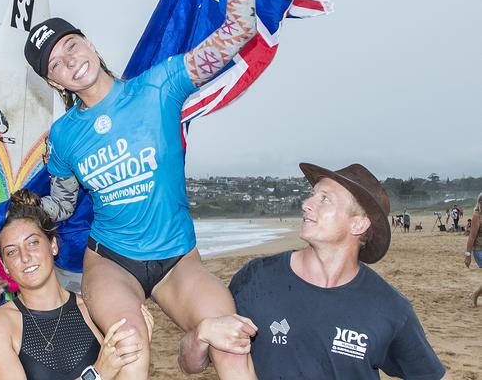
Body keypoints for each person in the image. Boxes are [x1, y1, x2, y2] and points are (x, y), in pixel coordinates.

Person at [20, 0, 258, 378]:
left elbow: (239, 30)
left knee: (231, 339)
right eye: (56, 66)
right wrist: (21, 215)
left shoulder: (160, 85)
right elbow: (63, 205)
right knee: (129, 344)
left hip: (179, 260)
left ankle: (198, 339)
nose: (70, 62)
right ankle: (190, 340)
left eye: (71, 46)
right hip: (111, 262)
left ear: (88, 42)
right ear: (55, 84)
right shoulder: (63, 135)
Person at [186, 162, 450, 379]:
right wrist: (200, 335)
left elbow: (432, 374)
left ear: (358, 224)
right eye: (312, 195)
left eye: (325, 199)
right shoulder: (256, 278)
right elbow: (191, 364)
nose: (307, 204)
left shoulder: (389, 308)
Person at [0, 190, 153, 380]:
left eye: (33, 243)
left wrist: (136, 359)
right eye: (11, 252)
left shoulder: (92, 311)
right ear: (4, 265)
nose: (25, 257)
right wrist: (97, 374)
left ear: (53, 245)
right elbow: (104, 372)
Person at [464, 192, 482, 307]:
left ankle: (475, 294)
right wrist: (468, 254)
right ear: (480, 202)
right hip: (479, 250)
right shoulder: (477, 215)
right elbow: (471, 236)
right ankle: (475, 294)